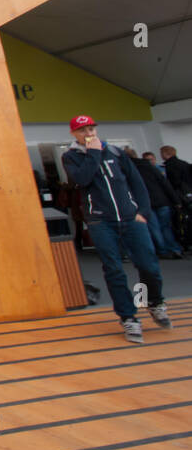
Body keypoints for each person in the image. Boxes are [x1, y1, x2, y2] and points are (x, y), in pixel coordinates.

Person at [62, 116, 172, 343]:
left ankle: (150, 301)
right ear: (74, 133)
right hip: (101, 221)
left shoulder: (115, 152)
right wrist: (92, 153)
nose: (88, 133)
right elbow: (82, 180)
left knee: (147, 265)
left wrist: (143, 211)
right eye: (82, 130)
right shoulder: (71, 157)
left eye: (91, 128)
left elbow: (136, 183)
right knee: (113, 269)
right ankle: (129, 317)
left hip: (131, 218)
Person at [127, 148, 183, 258]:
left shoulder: (129, 170)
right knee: (166, 227)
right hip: (162, 201)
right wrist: (175, 200)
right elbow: (165, 183)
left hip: (146, 203)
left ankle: (162, 250)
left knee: (154, 228)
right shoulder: (150, 167)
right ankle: (174, 248)